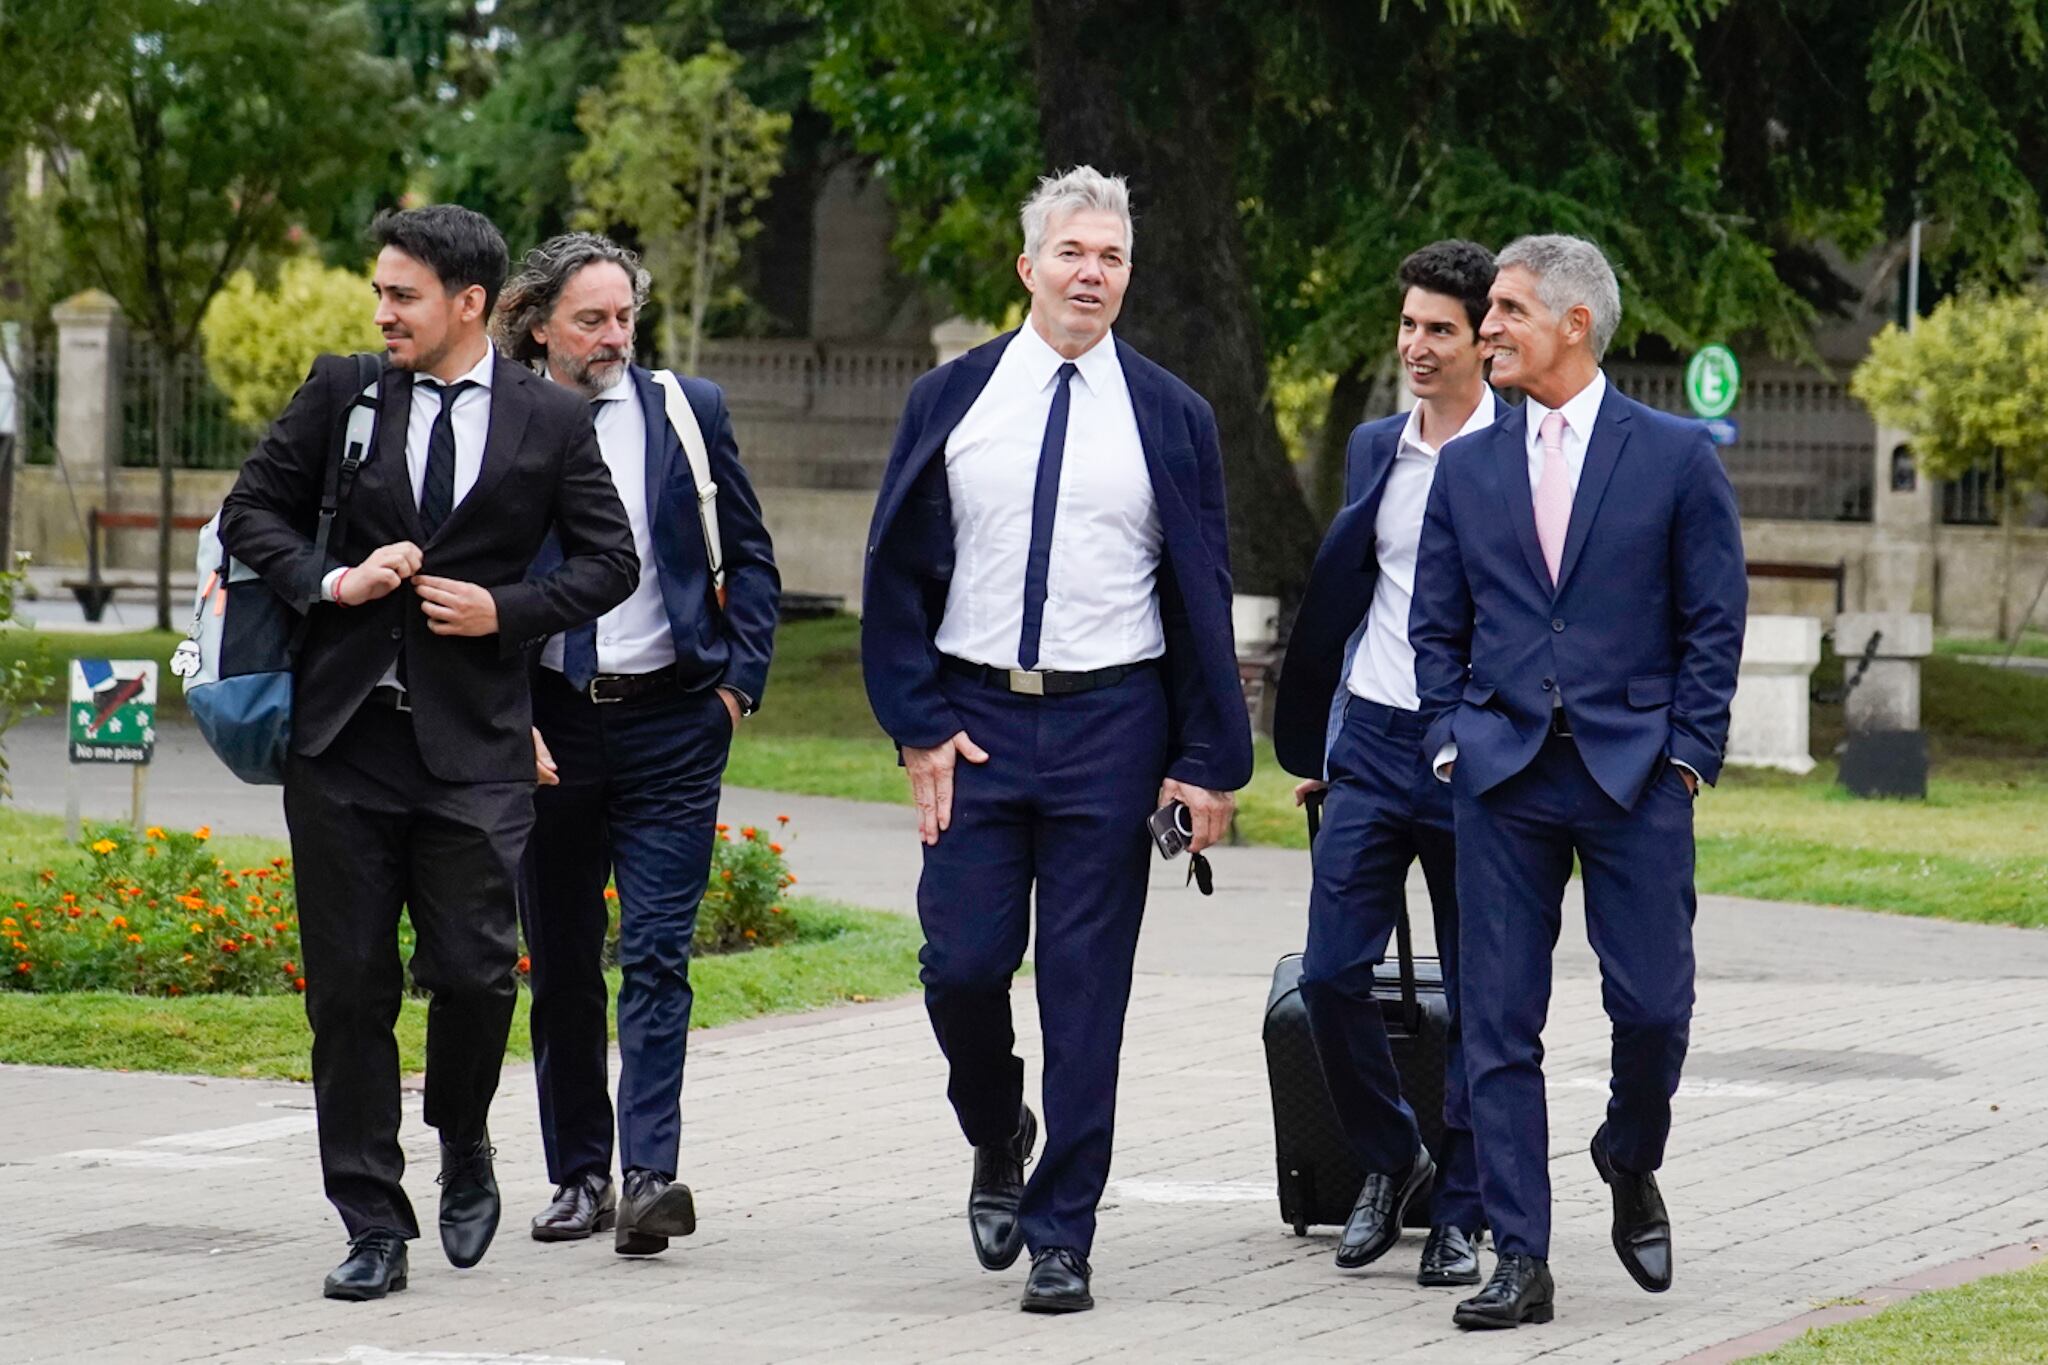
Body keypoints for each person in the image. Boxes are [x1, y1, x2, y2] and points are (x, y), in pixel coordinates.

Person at [219, 205, 639, 1302]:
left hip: (477, 746)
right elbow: (248, 512)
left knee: (476, 972)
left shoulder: (549, 420)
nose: (381, 311)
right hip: (343, 742)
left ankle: (463, 1134)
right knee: (348, 994)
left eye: (402, 294)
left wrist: (504, 610)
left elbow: (610, 564)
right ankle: (369, 1219)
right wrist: (331, 582)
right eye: (379, 290)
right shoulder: (342, 392)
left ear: (468, 304)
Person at [861, 166, 1252, 1314]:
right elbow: (891, 567)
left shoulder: (1173, 417)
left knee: (1086, 993)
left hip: (1112, 727)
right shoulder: (952, 397)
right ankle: (998, 1129)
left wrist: (1204, 756)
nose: (1092, 273)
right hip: (975, 725)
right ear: (1027, 266)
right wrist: (918, 723)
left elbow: (1201, 590)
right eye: (1072, 252)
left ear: (1129, 276)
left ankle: (1061, 1233)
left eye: (1112, 257)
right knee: (961, 967)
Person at [1409, 234, 1746, 1329]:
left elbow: (1711, 622)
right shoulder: (1466, 466)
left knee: (1652, 1008)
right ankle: (1520, 1256)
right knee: (1494, 1027)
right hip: (1499, 778)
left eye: (1505, 310)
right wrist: (1449, 738)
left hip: (1634, 777)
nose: (1486, 326)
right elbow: (1435, 625)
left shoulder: (1673, 456)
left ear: (1572, 324)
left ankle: (1625, 1151)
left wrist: (1687, 756)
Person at [494, 232, 779, 1256]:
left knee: (658, 954)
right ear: (538, 324)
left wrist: (735, 691)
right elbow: (480, 584)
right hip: (552, 725)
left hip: (672, 720)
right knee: (563, 958)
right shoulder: (503, 420)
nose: (614, 337)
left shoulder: (685, 413)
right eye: (591, 320)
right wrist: (508, 714)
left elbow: (746, 554)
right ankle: (577, 1175)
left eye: (625, 317)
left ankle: (647, 1176)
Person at [1272, 241, 1501, 1287]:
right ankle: (1389, 1157)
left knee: (1477, 987)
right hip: (1368, 737)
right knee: (1328, 973)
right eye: (1406, 325)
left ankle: (1459, 1210)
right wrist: (1320, 736)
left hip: (1477, 755)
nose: (1414, 346)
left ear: (1479, 338)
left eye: (1436, 329)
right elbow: (1353, 589)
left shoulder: (1520, 451)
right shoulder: (1374, 448)